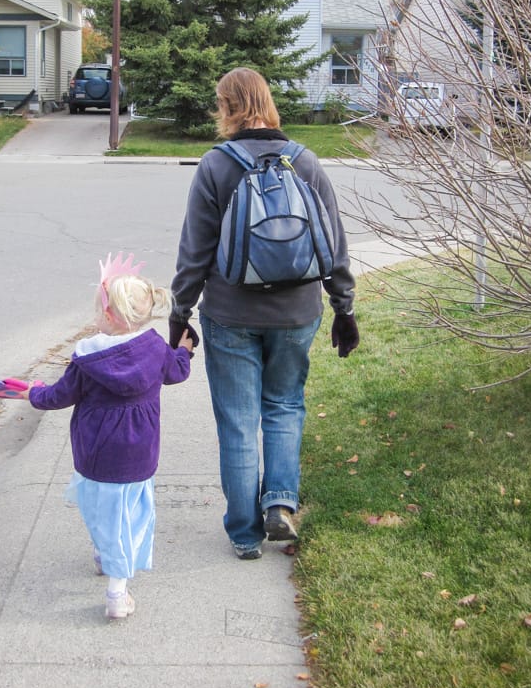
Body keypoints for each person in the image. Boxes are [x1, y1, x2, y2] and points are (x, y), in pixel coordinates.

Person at [169, 67, 359, 561]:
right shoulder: (305, 161)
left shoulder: (215, 166)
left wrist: (179, 312)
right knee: (285, 405)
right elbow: (333, 243)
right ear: (267, 102)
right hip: (297, 313)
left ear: (227, 107)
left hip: (230, 313)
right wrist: (343, 307)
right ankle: (279, 502)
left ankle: (244, 533)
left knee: (237, 422)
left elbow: (194, 252)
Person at [18, 253, 193, 619]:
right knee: (130, 515)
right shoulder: (156, 349)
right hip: (139, 452)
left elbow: (58, 396)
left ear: (110, 316)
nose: (95, 316)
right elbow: (177, 372)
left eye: (98, 310)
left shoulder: (87, 359)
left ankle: (107, 563)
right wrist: (184, 351)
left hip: (95, 451)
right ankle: (117, 589)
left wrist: (32, 393)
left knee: (99, 505)